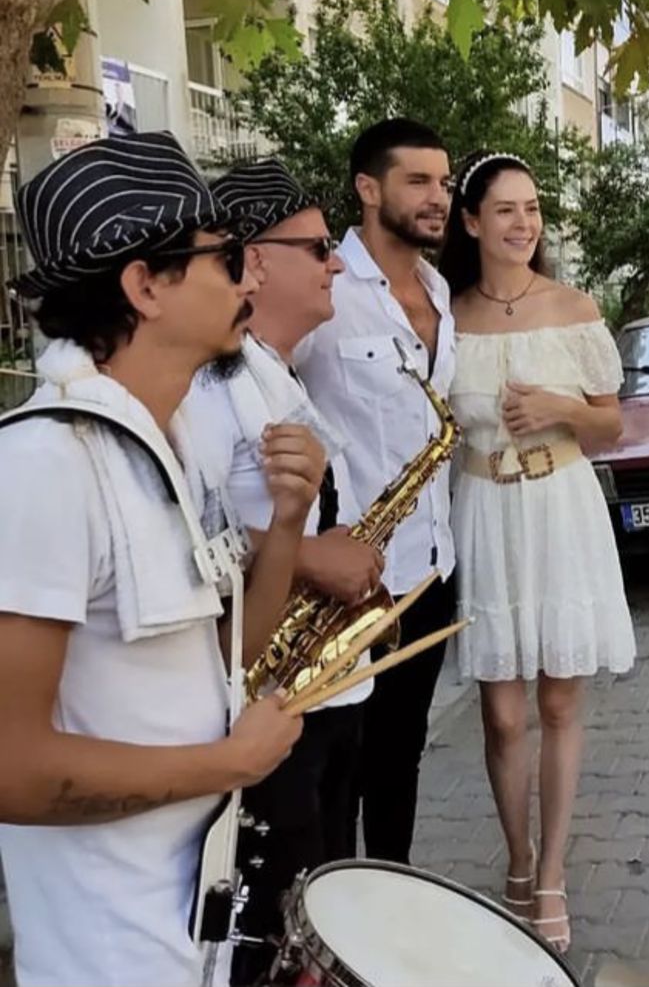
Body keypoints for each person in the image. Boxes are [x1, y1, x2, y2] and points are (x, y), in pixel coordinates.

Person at [0, 133, 316, 987]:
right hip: (108, 957)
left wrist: (286, 524)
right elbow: (10, 766)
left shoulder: (169, 444)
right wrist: (230, 762)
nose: (247, 278)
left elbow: (227, 664)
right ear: (145, 286)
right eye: (223, 258)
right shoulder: (45, 463)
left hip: (193, 930)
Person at [183, 159, 384, 986]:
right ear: (255, 259)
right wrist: (312, 553)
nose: (336, 261)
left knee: (322, 921)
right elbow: (196, 529)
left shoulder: (272, 370)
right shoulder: (209, 381)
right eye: (316, 246)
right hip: (265, 703)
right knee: (275, 931)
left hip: (317, 691)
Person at [437, 149, 635, 953]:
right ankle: (514, 856)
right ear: (472, 221)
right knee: (499, 710)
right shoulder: (446, 316)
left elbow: (612, 424)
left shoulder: (574, 306)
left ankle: (549, 870)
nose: (524, 223)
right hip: (486, 507)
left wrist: (558, 404)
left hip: (560, 505)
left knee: (557, 702)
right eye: (507, 210)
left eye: (533, 208)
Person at [295, 118, 457, 864]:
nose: (439, 198)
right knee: (338, 768)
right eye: (417, 181)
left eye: (445, 183)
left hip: (427, 568)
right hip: (346, 586)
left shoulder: (439, 287)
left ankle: (393, 905)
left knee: (401, 760)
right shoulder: (325, 290)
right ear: (367, 189)